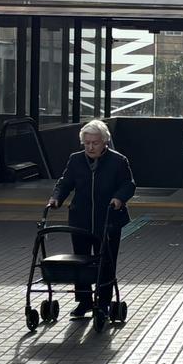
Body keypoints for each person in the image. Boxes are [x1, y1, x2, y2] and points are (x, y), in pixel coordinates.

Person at [47, 120, 137, 319]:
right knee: (80, 261)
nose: (90, 147)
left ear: (104, 142)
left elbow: (129, 185)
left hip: (109, 219)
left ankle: (103, 303)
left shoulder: (118, 161)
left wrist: (119, 198)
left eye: (94, 143)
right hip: (81, 218)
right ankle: (85, 301)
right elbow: (65, 182)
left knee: (106, 261)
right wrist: (56, 198)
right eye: (86, 143)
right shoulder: (75, 159)